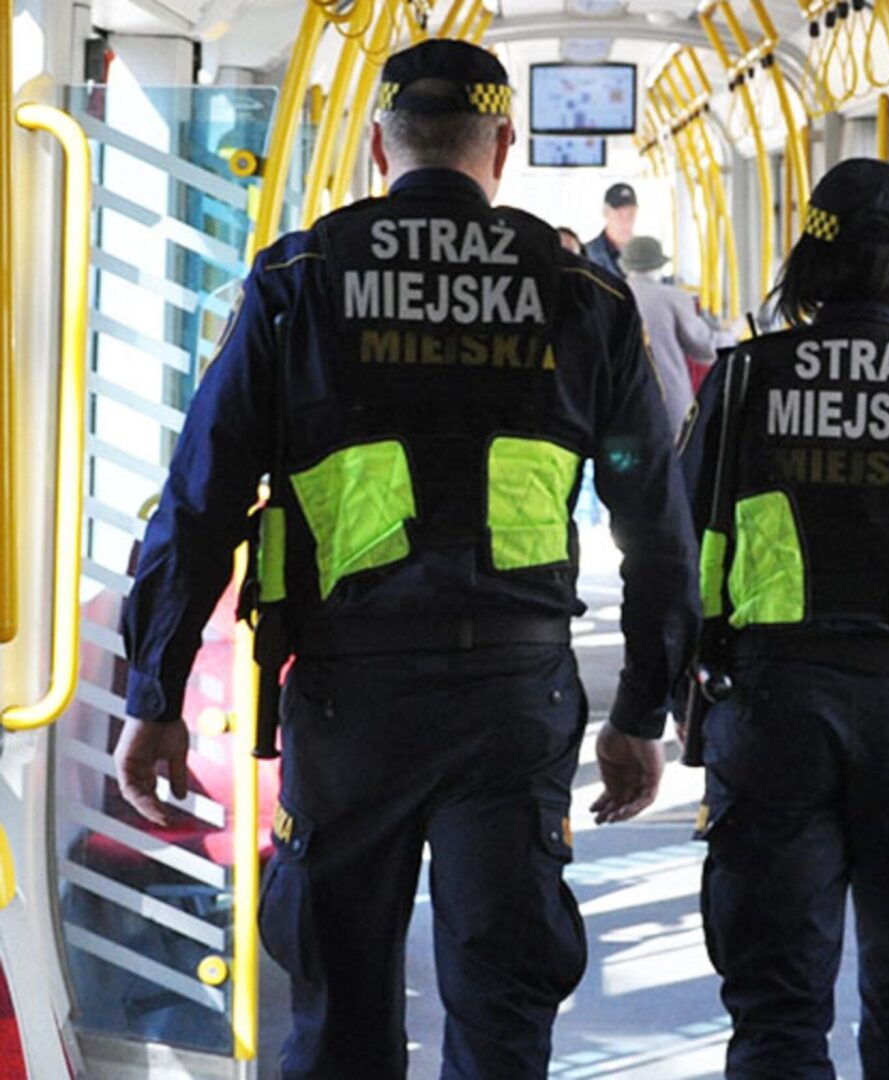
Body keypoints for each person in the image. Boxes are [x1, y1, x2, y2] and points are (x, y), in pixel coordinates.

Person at [113, 39, 699, 1080]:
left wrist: (154, 692)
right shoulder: (581, 296)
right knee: (502, 1006)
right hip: (514, 699)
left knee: (337, 1012)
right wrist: (643, 714)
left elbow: (200, 500)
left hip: (348, 699)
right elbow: (655, 526)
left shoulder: (299, 280)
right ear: (504, 146)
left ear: (380, 145)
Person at [680, 158, 889, 1080]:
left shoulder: (744, 383)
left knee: (778, 1006)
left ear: (808, 265)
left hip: (774, 704)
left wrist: (680, 702)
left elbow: (692, 553)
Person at [620, 235, 737, 437]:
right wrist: (732, 333)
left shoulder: (613, 295)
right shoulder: (672, 297)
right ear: (659, 265)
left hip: (622, 403)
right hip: (669, 402)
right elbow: (703, 346)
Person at [584, 181, 637, 277]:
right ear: (605, 212)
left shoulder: (646, 254)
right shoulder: (587, 254)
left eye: (631, 214)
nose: (625, 221)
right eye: (619, 214)